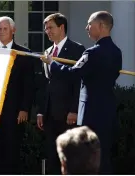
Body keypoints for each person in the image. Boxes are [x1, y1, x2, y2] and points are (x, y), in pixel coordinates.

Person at [41, 11, 122, 174]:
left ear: (101, 26)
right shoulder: (116, 52)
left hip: (91, 112)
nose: (87, 28)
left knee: (88, 157)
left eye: (90, 24)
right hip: (108, 110)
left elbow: (72, 74)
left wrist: (52, 63)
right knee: (103, 156)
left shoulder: (92, 53)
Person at [36, 13, 85, 174]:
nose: (47, 31)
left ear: (61, 27)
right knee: (52, 156)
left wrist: (74, 110)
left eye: (50, 27)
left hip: (67, 114)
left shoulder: (77, 49)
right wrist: (41, 111)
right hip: (50, 115)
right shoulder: (48, 51)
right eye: (45, 28)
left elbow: (78, 82)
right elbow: (46, 83)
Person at [0, 16, 34, 174]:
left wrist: (24, 109)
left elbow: (28, 85)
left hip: (15, 111)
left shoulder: (23, 53)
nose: (1, 32)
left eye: (4, 29)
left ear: (13, 31)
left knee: (12, 149)